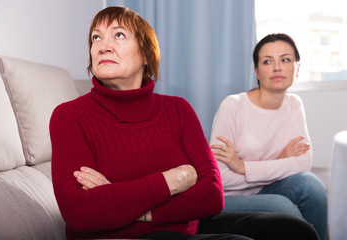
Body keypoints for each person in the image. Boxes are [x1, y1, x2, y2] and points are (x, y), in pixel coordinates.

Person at [50, 7, 319, 240]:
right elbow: (80, 212)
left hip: (186, 227)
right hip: (126, 236)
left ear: (146, 53)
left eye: (118, 35)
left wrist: (124, 202)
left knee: (295, 231)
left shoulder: (177, 109)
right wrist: (172, 181)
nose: (102, 45)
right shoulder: (69, 116)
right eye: (96, 37)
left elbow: (212, 194)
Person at [210, 33, 327, 240]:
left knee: (313, 185)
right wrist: (281, 162)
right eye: (267, 61)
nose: (277, 67)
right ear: (256, 71)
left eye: (285, 59)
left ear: (297, 68)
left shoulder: (294, 104)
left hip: (267, 188)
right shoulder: (233, 106)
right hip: (228, 198)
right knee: (281, 206)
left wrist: (244, 167)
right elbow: (220, 178)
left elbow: (302, 164)